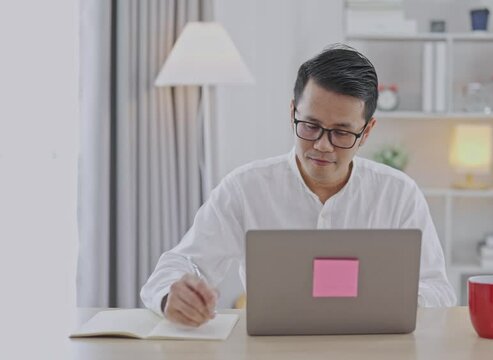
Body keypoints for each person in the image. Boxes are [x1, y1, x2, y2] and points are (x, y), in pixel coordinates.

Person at [141, 44, 456, 327]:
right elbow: (181, 263)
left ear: (367, 131)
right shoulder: (246, 188)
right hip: (273, 347)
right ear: (293, 111)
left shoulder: (398, 194)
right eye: (310, 126)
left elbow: (439, 290)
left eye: (342, 133)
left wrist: (390, 302)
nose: (322, 146)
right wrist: (173, 295)